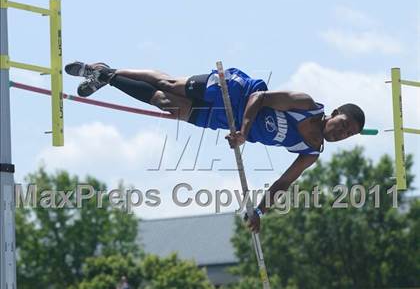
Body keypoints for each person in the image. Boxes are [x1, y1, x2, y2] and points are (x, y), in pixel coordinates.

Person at [65, 61, 365, 232]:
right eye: (343, 124)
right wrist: (244, 131)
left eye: (347, 134)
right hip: (234, 91)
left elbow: (283, 182)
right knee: (170, 85)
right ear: (335, 112)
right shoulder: (305, 104)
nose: (341, 133)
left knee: (167, 105)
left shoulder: (310, 152)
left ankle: (107, 78)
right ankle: (107, 70)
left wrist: (259, 211)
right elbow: (259, 99)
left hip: (228, 122)